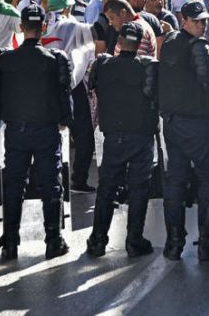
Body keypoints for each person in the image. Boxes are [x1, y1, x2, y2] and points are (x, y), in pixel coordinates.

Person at [0, 4, 73, 260]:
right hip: (45, 131)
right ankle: (53, 240)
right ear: (44, 28)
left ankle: (11, 241)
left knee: (14, 185)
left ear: (21, 27)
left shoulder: (6, 59)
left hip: (17, 130)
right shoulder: (55, 59)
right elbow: (64, 93)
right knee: (51, 185)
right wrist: (64, 119)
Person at [159, 0, 209, 262]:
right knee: (208, 180)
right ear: (185, 20)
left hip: (172, 124)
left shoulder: (170, 41)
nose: (202, 25)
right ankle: (205, 243)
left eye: (204, 21)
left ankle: (173, 244)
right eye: (197, 21)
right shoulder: (199, 47)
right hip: (197, 124)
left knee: (176, 182)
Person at [85, 22, 159, 258]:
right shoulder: (147, 66)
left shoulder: (103, 65)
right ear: (139, 44)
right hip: (139, 134)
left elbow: (92, 86)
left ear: (118, 42)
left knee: (106, 187)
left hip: (115, 136)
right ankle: (134, 240)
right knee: (138, 188)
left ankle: (98, 240)